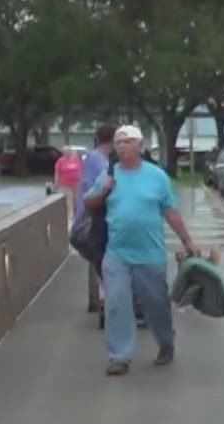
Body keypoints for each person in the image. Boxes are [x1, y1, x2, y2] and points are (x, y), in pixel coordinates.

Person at [81, 125, 198, 375]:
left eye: (127, 142)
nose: (121, 146)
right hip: (117, 254)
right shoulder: (108, 175)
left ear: (140, 146)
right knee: (116, 303)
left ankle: (166, 343)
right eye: (118, 143)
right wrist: (104, 191)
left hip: (150, 254)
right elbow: (89, 202)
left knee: (156, 304)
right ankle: (119, 356)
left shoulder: (157, 177)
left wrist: (187, 241)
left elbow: (170, 211)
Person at [78, 125, 116, 316]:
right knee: (98, 258)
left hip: (94, 215)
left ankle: (97, 299)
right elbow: (89, 187)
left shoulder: (96, 158)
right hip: (94, 216)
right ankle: (98, 301)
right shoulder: (98, 160)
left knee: (97, 257)